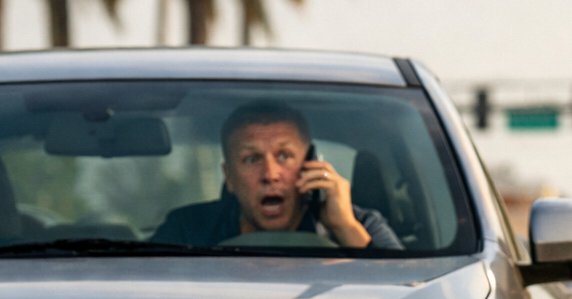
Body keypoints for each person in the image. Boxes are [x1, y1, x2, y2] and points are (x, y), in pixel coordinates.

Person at [151, 101, 402, 250]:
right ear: (229, 177)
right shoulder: (187, 231)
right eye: (251, 159)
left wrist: (345, 228)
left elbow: (403, 294)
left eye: (284, 156)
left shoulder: (362, 224)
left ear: (311, 164)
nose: (270, 174)